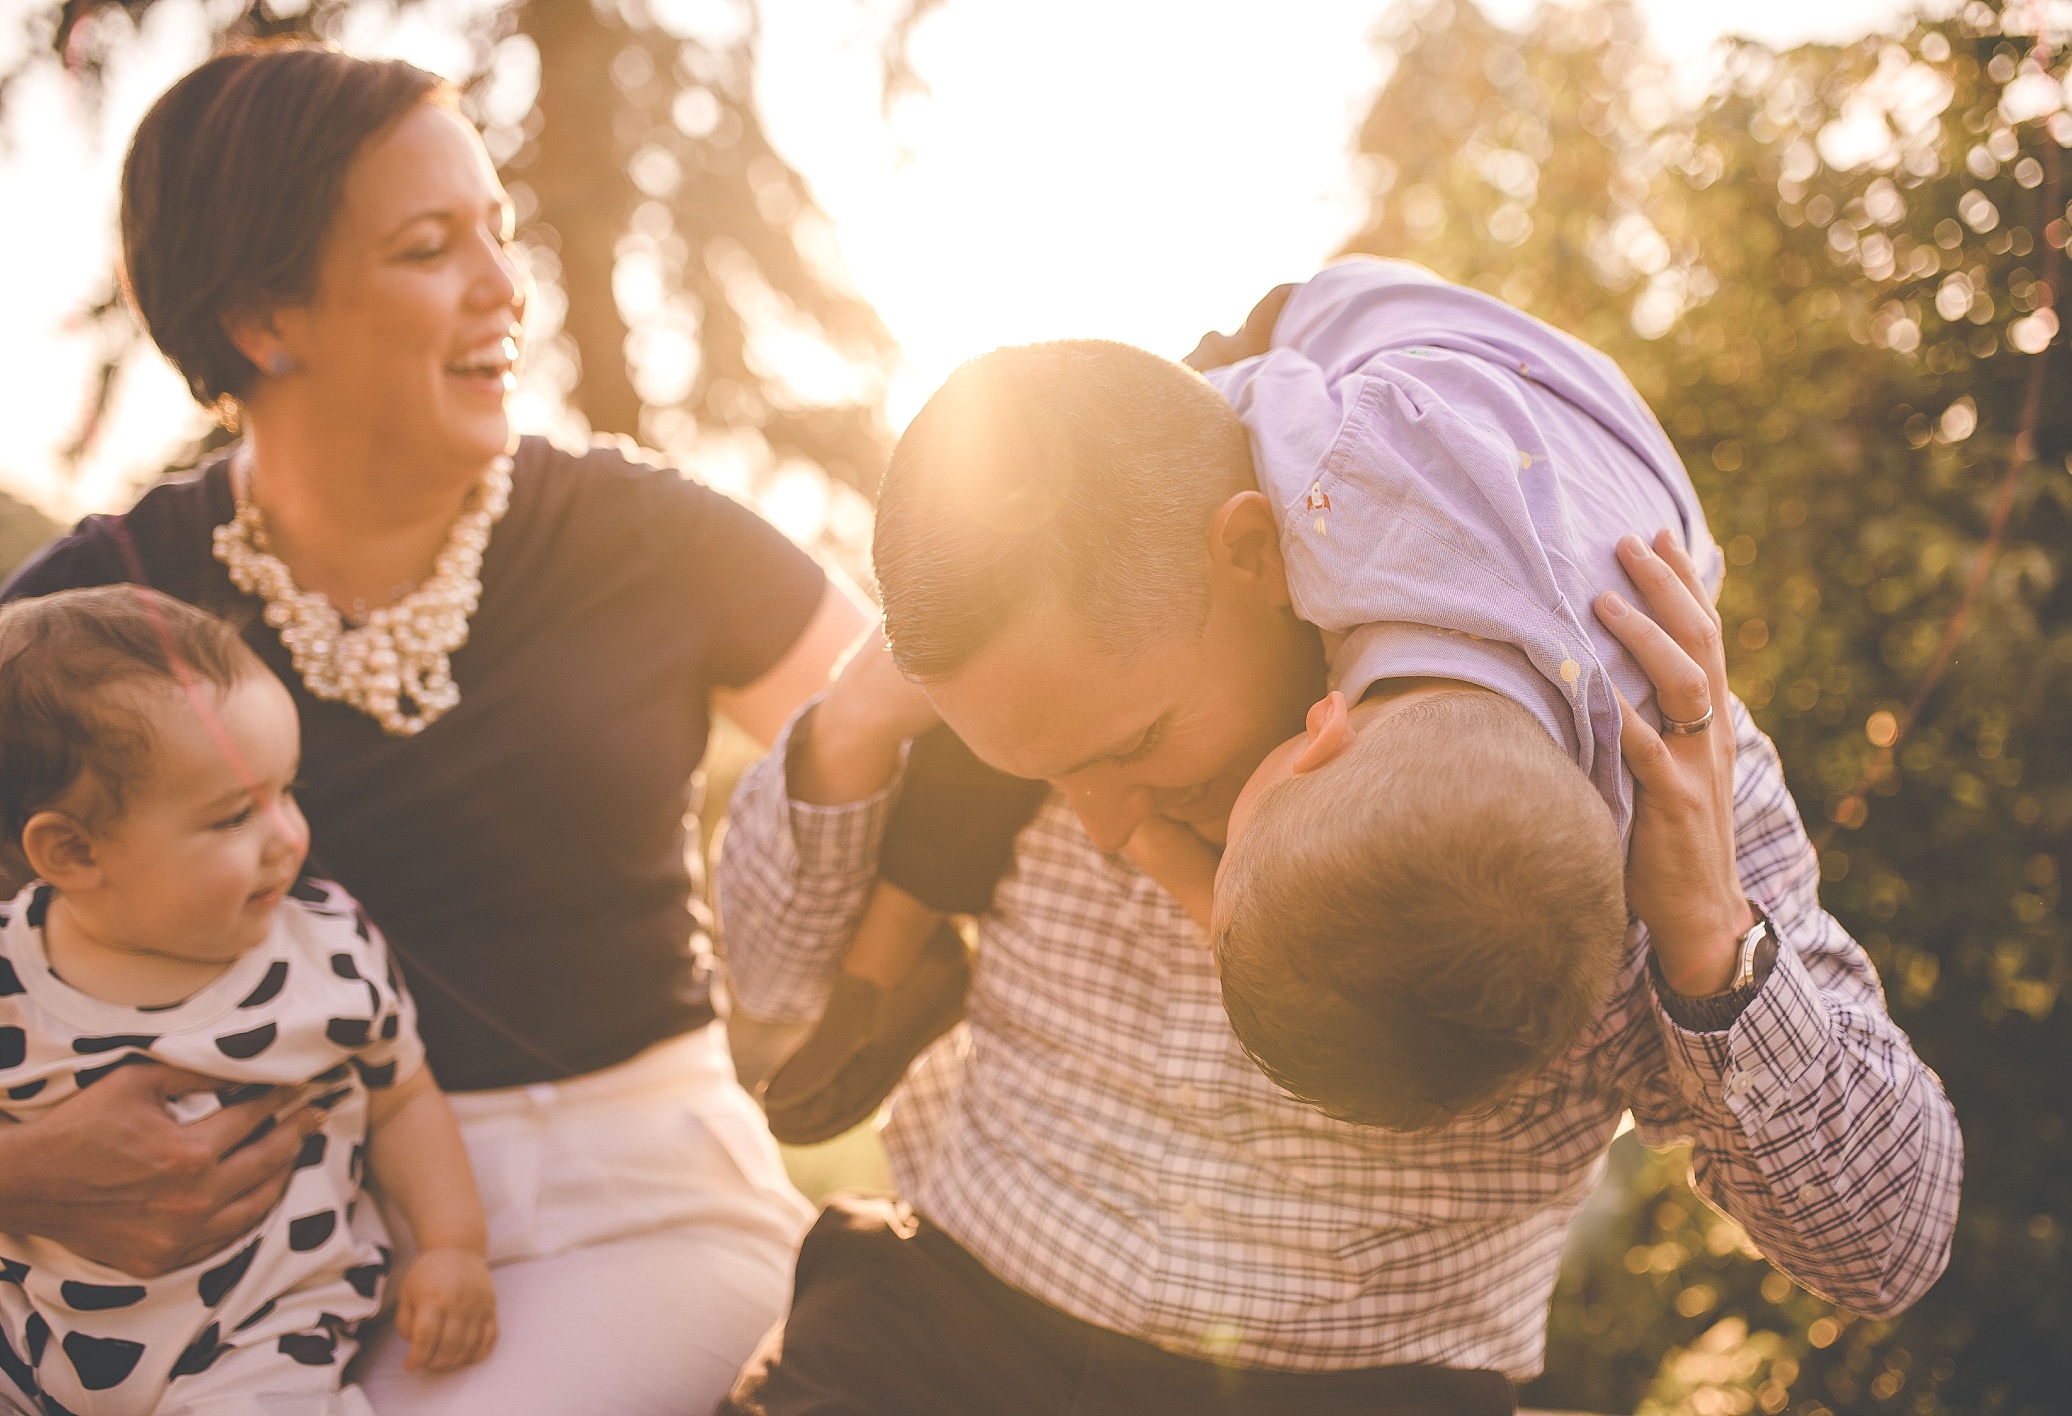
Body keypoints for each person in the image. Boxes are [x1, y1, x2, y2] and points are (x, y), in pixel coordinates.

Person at [713, 261, 1963, 1412]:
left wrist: (1707, 941)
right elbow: (769, 991)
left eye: (1133, 748)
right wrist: (861, 721)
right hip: (935, 1326)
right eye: (1040, 776)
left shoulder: (1650, 768)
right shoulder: (1045, 631)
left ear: (1254, 551)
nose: (1098, 824)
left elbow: (1890, 1245)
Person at [0, 42, 875, 1414]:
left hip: (634, 1212)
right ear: (261, 321)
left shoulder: (646, 533)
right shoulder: (99, 622)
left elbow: (939, 732)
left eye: (500, 232)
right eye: (428, 247)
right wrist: (24, 1174)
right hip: (238, 1270)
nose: (503, 286)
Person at [0, 587, 494, 1415]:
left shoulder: (324, 950)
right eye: (236, 814)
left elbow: (403, 1098)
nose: (289, 837)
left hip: (256, 1337)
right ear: (74, 852)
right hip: (24, 1328)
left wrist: (453, 1245)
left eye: (286, 792)